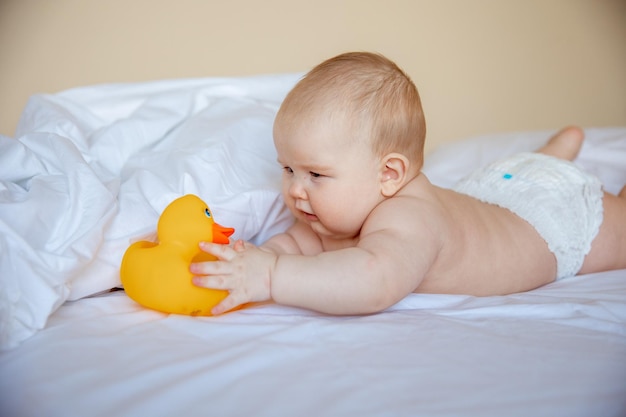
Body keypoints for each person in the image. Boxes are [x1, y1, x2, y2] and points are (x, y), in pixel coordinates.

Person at [190, 52, 626, 316]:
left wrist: (273, 277)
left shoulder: (409, 217)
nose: (295, 190)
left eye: (315, 174)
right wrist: (253, 261)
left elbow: (373, 280)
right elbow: (294, 246)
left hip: (553, 222)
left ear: (389, 175)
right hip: (505, 187)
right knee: (525, 176)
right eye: (287, 169)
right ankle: (555, 153)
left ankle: (561, 159)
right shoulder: (331, 214)